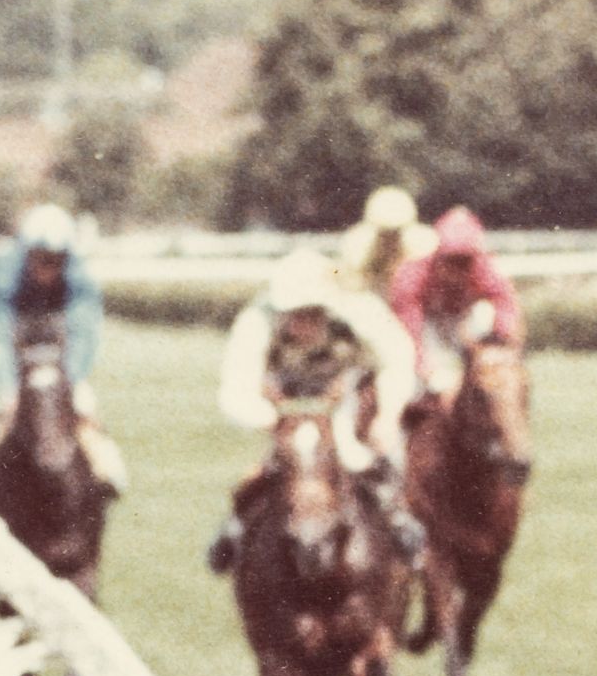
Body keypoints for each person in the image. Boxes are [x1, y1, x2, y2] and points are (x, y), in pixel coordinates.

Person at [207, 249, 428, 572]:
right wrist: (268, 417)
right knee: (282, 464)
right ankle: (236, 526)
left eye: (311, 313)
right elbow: (233, 391)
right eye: (294, 313)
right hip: (284, 406)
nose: (302, 323)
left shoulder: (359, 310)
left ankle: (398, 522)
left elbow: (399, 357)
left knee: (357, 457)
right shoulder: (256, 320)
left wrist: (388, 415)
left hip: (344, 397)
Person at [0, 201, 125, 492]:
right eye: (40, 259)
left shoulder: (80, 278)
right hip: (19, 368)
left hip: (63, 369)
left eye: (56, 260)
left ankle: (109, 473)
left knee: (87, 416)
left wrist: (71, 383)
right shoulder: (6, 274)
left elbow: (84, 335)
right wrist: (7, 389)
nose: (47, 268)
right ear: (26, 254)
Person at [390, 203, 525, 404]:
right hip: (429, 326)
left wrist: (504, 347)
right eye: (451, 260)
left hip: (462, 323)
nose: (457, 270)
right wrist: (423, 365)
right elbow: (409, 330)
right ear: (437, 254)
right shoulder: (412, 274)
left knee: (485, 313)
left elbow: (505, 305)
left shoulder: (484, 267)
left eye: (465, 262)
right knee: (419, 385)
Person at [337, 183, 429, 303]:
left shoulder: (419, 255)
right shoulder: (357, 255)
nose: (390, 238)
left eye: (395, 232)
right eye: (385, 233)